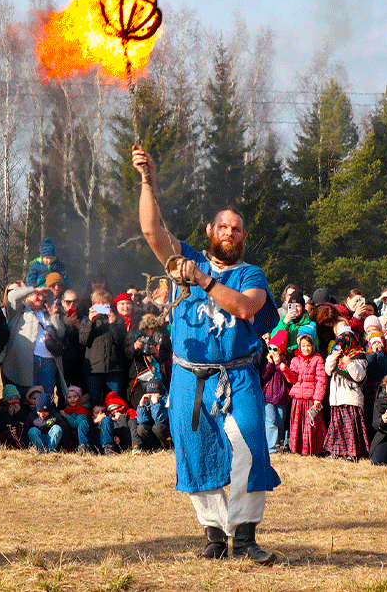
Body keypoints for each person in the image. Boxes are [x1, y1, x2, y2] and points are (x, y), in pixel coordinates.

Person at [134, 147, 281, 564]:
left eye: (237, 229)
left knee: (249, 445)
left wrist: (202, 279)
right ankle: (215, 535)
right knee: (195, 448)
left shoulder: (250, 274)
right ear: (210, 230)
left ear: (243, 237)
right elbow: (150, 230)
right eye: (224, 227)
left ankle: (246, 537)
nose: (230, 233)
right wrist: (148, 181)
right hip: (189, 378)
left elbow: (245, 308)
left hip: (238, 376)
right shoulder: (185, 260)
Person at [2, 285, 64, 404]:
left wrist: (54, 316)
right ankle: (29, 421)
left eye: (41, 295)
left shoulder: (48, 311)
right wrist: (34, 289)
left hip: (49, 361)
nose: (39, 297)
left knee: (46, 398)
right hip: (27, 361)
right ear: (26, 297)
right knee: (28, 397)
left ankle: (45, 421)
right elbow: (12, 297)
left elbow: (61, 333)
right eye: (35, 295)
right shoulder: (19, 310)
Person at [80, 289, 129, 407]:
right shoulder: (86, 321)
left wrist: (113, 323)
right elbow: (83, 341)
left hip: (114, 370)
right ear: (93, 305)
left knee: (114, 403)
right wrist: (90, 322)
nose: (102, 307)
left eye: (104, 304)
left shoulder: (118, 320)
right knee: (95, 403)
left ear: (109, 305)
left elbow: (120, 342)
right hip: (94, 370)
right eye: (99, 304)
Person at [285, 328, 327, 456]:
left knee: (311, 426)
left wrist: (318, 398)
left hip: (311, 399)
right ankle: (297, 448)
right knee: (298, 425)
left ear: (313, 345)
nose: (306, 349)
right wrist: (285, 370)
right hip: (298, 398)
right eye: (303, 346)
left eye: (308, 345)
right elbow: (292, 379)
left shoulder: (317, 359)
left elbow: (321, 380)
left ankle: (314, 450)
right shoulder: (295, 360)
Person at [260, 332, 290, 453]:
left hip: (282, 395)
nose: (271, 351)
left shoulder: (286, 360)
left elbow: (287, 376)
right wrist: (270, 364)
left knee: (281, 419)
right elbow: (264, 376)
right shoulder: (267, 360)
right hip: (268, 396)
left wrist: (278, 364)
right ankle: (271, 447)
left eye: (274, 349)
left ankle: (279, 442)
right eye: (270, 348)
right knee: (270, 421)